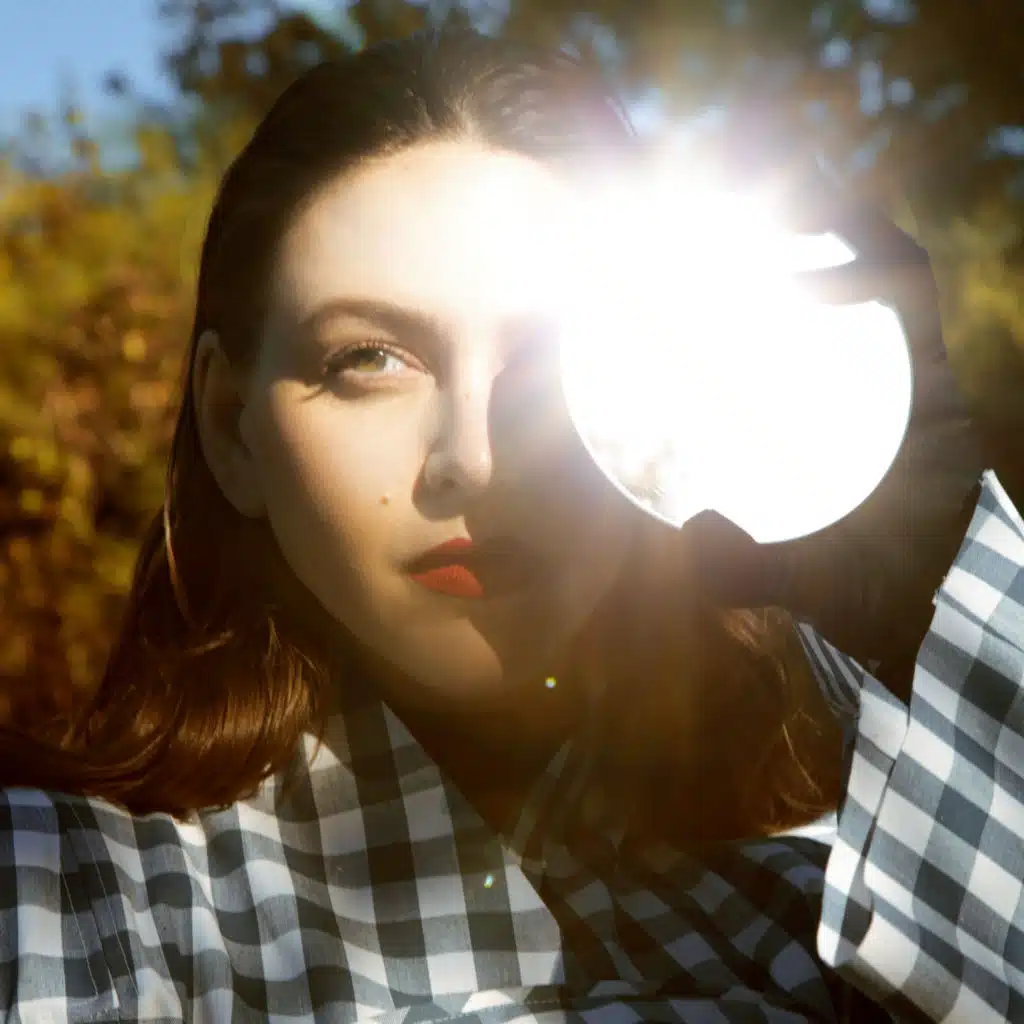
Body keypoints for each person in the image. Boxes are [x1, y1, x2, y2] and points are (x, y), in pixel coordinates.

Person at [0, 27, 1018, 1023]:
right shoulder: (65, 903)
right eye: (368, 359)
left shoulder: (852, 896)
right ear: (233, 428)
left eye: (553, 364)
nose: (474, 458)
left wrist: (940, 599)